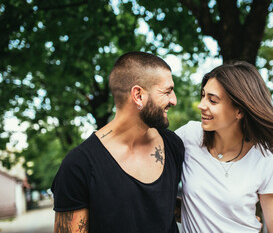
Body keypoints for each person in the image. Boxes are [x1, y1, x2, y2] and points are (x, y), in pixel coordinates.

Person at [51, 52, 184, 232]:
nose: (173, 100)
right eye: (167, 92)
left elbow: (163, 208)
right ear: (138, 95)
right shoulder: (79, 165)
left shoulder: (173, 145)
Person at [175, 61, 273, 232]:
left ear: (239, 111)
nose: (201, 105)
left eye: (213, 100)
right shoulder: (189, 135)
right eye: (203, 96)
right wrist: (181, 208)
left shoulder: (266, 153)